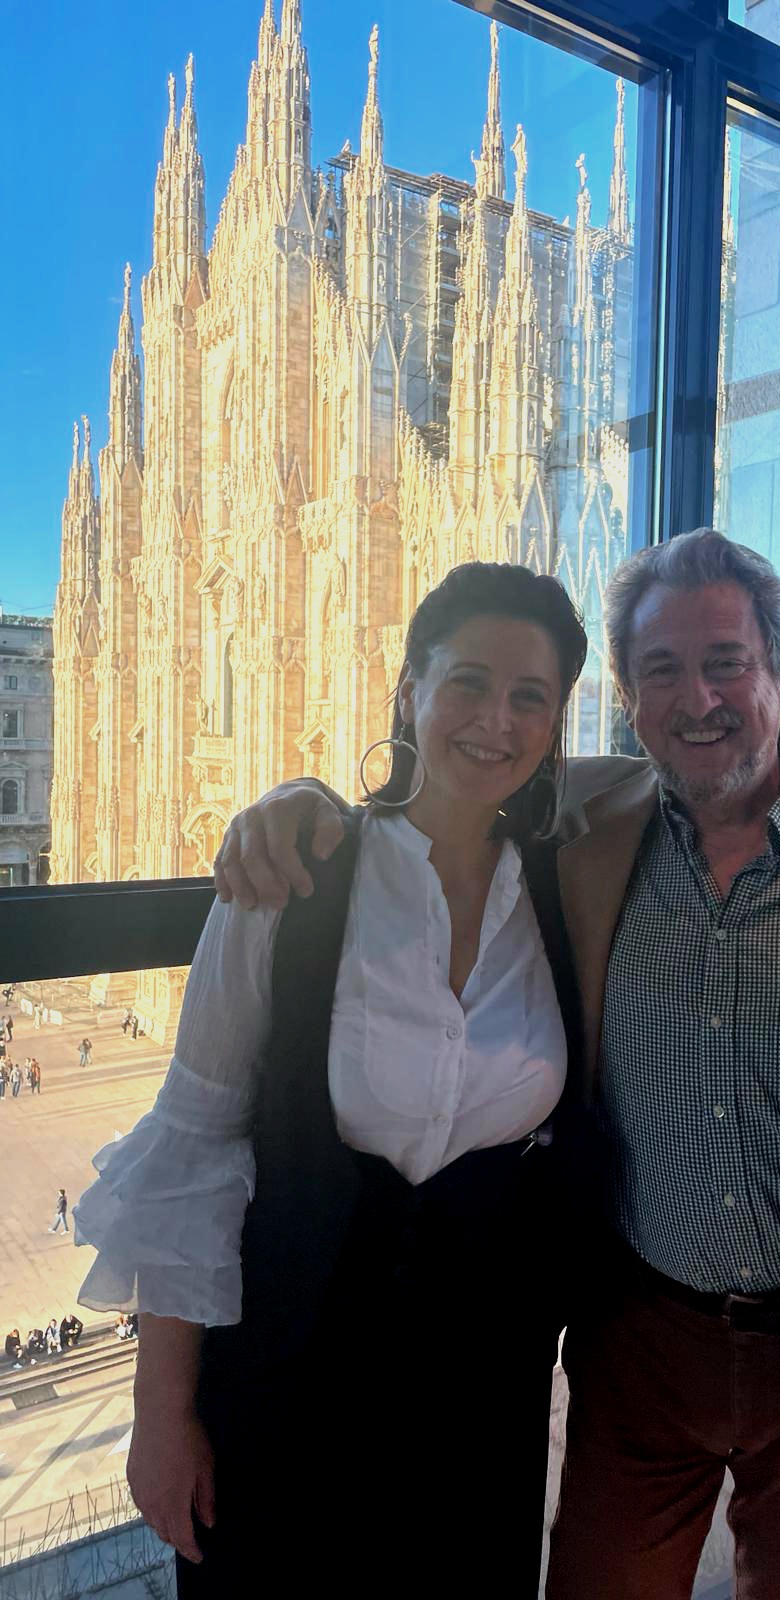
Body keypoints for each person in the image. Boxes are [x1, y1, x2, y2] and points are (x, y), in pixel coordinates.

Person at [216, 530, 780, 1599]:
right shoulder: (584, 826)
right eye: (661, 670)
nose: (697, 699)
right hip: (641, 1345)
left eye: (726, 664)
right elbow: (446, 791)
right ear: (630, 699)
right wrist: (299, 802)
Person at [74, 563, 590, 1595]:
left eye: (530, 696)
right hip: (288, 1375)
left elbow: (688, 769)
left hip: (483, 1396)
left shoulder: (567, 880)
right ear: (409, 688)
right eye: (468, 682)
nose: (497, 720)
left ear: (555, 723)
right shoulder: (296, 878)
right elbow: (196, 1135)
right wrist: (161, 1413)